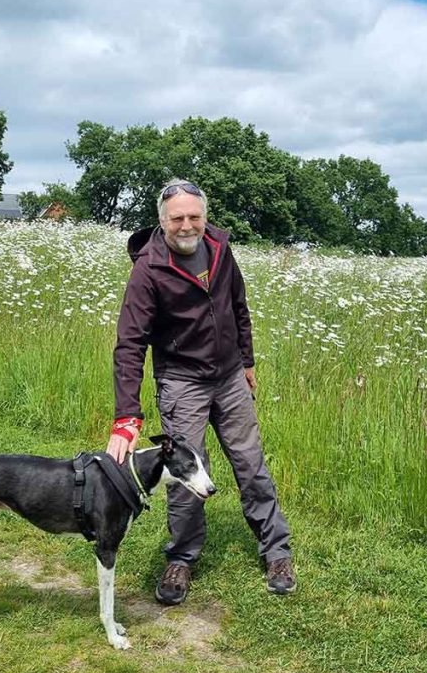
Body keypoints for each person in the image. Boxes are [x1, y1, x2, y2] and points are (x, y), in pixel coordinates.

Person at [107, 179, 295, 605]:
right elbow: (130, 344)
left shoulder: (221, 250)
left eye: (194, 216)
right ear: (162, 221)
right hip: (181, 381)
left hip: (229, 377)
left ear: (204, 218)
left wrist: (246, 362)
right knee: (186, 473)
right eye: (177, 218)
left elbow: (238, 305)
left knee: (251, 465)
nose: (186, 225)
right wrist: (126, 418)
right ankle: (181, 558)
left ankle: (277, 552)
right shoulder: (149, 269)